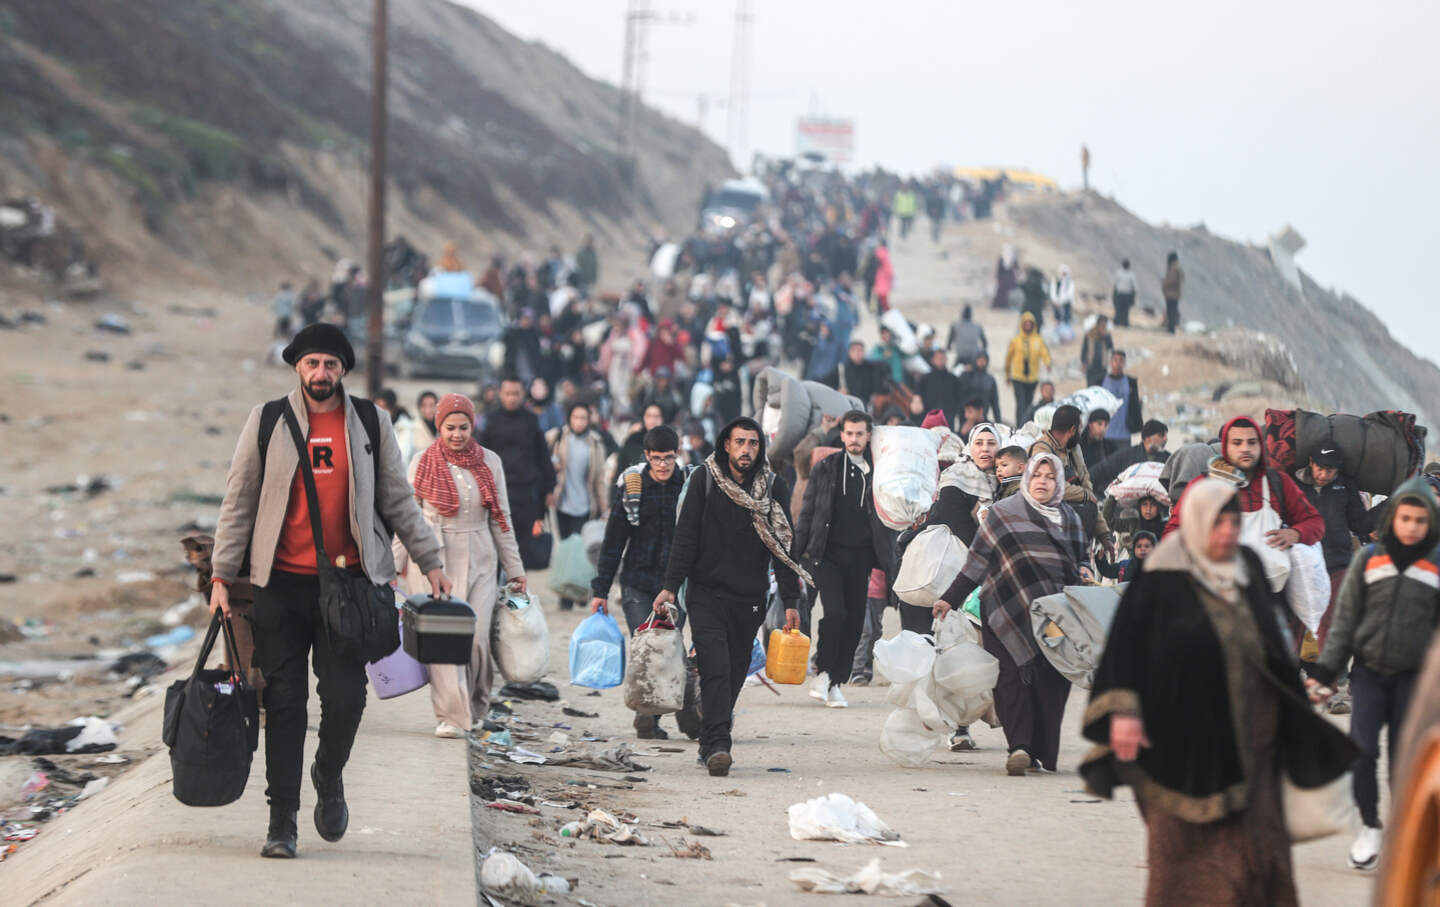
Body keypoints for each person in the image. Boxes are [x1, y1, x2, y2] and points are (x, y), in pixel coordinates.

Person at [209, 324, 451, 859]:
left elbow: (396, 498)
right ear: (297, 366)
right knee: (286, 701)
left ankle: (329, 771)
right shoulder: (267, 420)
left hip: (350, 587)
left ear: (344, 371)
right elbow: (239, 501)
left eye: (332, 365)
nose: (322, 374)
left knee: (345, 698)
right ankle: (282, 823)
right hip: (281, 586)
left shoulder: (369, 421)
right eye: (313, 364)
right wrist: (222, 575)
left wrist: (430, 561)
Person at [1081, 478, 1356, 906]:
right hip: (1177, 743)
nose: (1227, 532)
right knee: (1184, 857)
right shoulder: (1160, 577)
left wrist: (1295, 699)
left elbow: (1272, 642)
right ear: (1195, 523)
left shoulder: (1246, 566)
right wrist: (1125, 715)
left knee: (1259, 853)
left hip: (1252, 736)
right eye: (1217, 523)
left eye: (1233, 522)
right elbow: (1125, 652)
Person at [656, 417, 809, 777]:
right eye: (739, 442)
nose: (746, 450)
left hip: (750, 597)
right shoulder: (704, 480)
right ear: (726, 444)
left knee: (736, 672)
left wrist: (790, 601)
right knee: (716, 667)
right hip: (705, 593)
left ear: (760, 448)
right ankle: (717, 745)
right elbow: (685, 538)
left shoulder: (774, 487)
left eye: (753, 443)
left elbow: (784, 548)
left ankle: (712, 731)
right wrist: (669, 587)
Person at [1307, 478, 1439, 871]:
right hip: (1367, 675)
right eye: (1405, 517)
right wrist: (1327, 672)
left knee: (1406, 762)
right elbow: (1345, 621)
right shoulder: (1368, 560)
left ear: (1431, 521)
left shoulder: (1436, 565)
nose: (1412, 526)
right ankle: (1370, 825)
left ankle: (1404, 835)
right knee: (1362, 752)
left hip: (1414, 682)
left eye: (1420, 519)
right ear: (1391, 518)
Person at [933, 453, 1089, 775]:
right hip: (1004, 609)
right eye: (1037, 475)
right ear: (1027, 478)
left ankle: (1040, 751)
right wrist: (950, 599)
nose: (1042, 482)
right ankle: (1019, 747)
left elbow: (1081, 559)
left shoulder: (1070, 517)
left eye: (1049, 477)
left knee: (1052, 683)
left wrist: (1086, 571)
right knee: (1011, 680)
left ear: (1058, 482)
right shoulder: (1003, 514)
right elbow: (976, 562)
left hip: (1054, 616)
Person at [399, 394, 524, 738]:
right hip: (432, 560)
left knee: (478, 639)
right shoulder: (421, 462)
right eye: (449, 428)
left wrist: (515, 568)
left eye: (463, 427)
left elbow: (502, 519)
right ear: (439, 427)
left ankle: (477, 704)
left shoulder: (490, 462)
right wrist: (396, 565)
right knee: (442, 642)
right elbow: (406, 520)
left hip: (482, 558)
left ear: (473, 426)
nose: (457, 434)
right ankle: (451, 716)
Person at [590, 426, 688, 739]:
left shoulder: (687, 486)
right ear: (646, 456)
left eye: (669, 458)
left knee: (670, 649)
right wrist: (600, 590)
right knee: (648, 646)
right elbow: (614, 541)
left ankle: (657, 715)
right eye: (657, 459)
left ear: (677, 456)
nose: (663, 465)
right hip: (638, 583)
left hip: (676, 585)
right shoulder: (632, 486)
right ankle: (649, 717)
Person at [793, 411, 888, 709]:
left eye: (860, 433)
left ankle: (835, 681)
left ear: (868, 436)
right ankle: (821, 671)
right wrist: (795, 556)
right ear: (842, 435)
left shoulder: (880, 470)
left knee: (854, 621)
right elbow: (808, 511)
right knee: (834, 613)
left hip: (861, 558)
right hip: (825, 554)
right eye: (849, 433)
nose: (854, 439)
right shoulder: (827, 467)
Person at [1162, 417, 1323, 554]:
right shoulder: (1203, 486)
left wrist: (1296, 533)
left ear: (1261, 446)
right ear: (1225, 447)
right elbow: (1173, 532)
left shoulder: (1278, 482)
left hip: (1271, 586)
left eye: (1252, 442)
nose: (1245, 449)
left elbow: (1315, 522)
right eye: (1237, 443)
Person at [1294, 445, 1374, 654]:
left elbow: (1360, 524)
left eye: (1330, 470)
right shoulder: (1293, 484)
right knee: (1296, 623)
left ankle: (1327, 680)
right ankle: (1287, 678)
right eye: (1320, 467)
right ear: (1311, 462)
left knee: (1329, 622)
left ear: (1339, 469)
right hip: (1301, 566)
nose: (1324, 474)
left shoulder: (1346, 486)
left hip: (1337, 563)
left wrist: (1390, 504)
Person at [480, 377, 557, 570]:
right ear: (500, 394)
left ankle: (517, 597)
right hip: (497, 492)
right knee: (496, 546)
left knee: (522, 550)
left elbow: (542, 455)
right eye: (508, 394)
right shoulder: (491, 420)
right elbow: (480, 456)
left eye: (516, 394)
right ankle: (495, 593)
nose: (512, 398)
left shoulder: (531, 420)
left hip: (526, 494)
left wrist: (549, 488)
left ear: (523, 395)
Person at [548, 402, 608, 609]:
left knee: (579, 550)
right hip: (561, 503)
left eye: (583, 417)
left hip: (585, 505)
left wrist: (604, 506)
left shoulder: (596, 443)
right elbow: (543, 462)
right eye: (576, 417)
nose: (579, 422)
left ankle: (579, 592)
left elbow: (600, 478)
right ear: (569, 418)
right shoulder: (557, 438)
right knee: (565, 549)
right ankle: (566, 595)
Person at [1030, 405, 1109, 547]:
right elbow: (1053, 488)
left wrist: (1103, 534)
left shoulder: (1074, 450)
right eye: (1079, 428)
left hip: (1075, 532)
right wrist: (1084, 494)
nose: (1081, 432)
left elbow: (1088, 490)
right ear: (1073, 430)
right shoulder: (1041, 449)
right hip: (1048, 532)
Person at [1091, 420, 1169, 493]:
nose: (1166, 439)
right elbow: (1100, 470)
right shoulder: (1127, 455)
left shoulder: (1169, 459)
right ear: (1148, 438)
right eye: (1161, 435)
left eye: (1165, 435)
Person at [1004, 312, 1050, 424]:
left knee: (1029, 403)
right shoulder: (1016, 340)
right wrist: (1007, 374)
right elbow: (1008, 358)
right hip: (1018, 376)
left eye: (1030, 324)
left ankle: (1026, 423)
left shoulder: (1038, 340)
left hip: (1032, 378)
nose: (1028, 326)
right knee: (1021, 402)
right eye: (1026, 323)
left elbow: (1044, 353)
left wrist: (1047, 362)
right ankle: (1019, 424)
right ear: (1022, 324)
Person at [1102, 350, 1145, 456]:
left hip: (1124, 435)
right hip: (1105, 435)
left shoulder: (1130, 382)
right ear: (1110, 362)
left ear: (1124, 363)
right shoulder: (1101, 381)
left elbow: (1135, 405)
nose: (1118, 363)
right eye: (1115, 360)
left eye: (1121, 360)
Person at [916, 348, 964, 430]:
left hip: (948, 419)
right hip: (929, 419)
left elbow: (960, 399)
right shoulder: (924, 379)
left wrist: (953, 413)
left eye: (942, 358)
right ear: (933, 360)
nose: (940, 360)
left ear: (946, 360)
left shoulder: (953, 379)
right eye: (938, 358)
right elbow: (918, 396)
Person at [615, 403, 665, 482]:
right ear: (643, 418)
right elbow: (620, 470)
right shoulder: (633, 441)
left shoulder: (668, 441)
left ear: (662, 419)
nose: (653, 420)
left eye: (656, 416)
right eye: (649, 416)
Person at [826, 340, 881, 405]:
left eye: (860, 350)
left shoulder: (871, 369)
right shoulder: (841, 368)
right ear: (849, 352)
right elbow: (825, 382)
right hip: (846, 406)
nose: (857, 353)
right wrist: (837, 391)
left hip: (865, 407)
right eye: (854, 350)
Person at [957, 351, 1003, 425]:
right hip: (967, 418)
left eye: (984, 360)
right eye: (979, 359)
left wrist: (999, 423)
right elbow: (959, 397)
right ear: (974, 360)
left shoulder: (990, 379)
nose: (981, 362)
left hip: (983, 417)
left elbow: (995, 402)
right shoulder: (966, 376)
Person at [1081, 315, 1113, 387]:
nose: (1103, 327)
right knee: (1091, 388)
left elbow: (1111, 349)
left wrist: (1105, 337)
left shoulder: (1107, 336)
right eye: (1101, 325)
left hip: (1102, 368)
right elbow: (1084, 350)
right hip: (1091, 367)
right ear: (1098, 324)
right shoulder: (1089, 335)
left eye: (1104, 325)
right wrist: (1084, 362)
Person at [1162, 251, 1184, 334]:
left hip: (1171, 294)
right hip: (1175, 294)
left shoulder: (1174, 268)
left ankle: (1171, 329)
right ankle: (1171, 328)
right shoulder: (1177, 268)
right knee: (1172, 311)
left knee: (1171, 311)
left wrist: (1164, 283)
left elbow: (1172, 280)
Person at [1112, 259, 1137, 327]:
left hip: (1127, 294)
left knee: (1126, 310)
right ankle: (1117, 322)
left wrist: (1133, 296)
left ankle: (1124, 323)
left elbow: (1134, 287)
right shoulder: (1119, 273)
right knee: (1118, 309)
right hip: (1120, 293)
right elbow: (1115, 284)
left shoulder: (1131, 274)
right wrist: (1114, 294)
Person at [872, 239, 894, 312]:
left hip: (882, 278)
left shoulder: (881, 252)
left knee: (881, 298)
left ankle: (884, 311)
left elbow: (878, 256)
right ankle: (884, 311)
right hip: (884, 278)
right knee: (882, 298)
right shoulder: (886, 254)